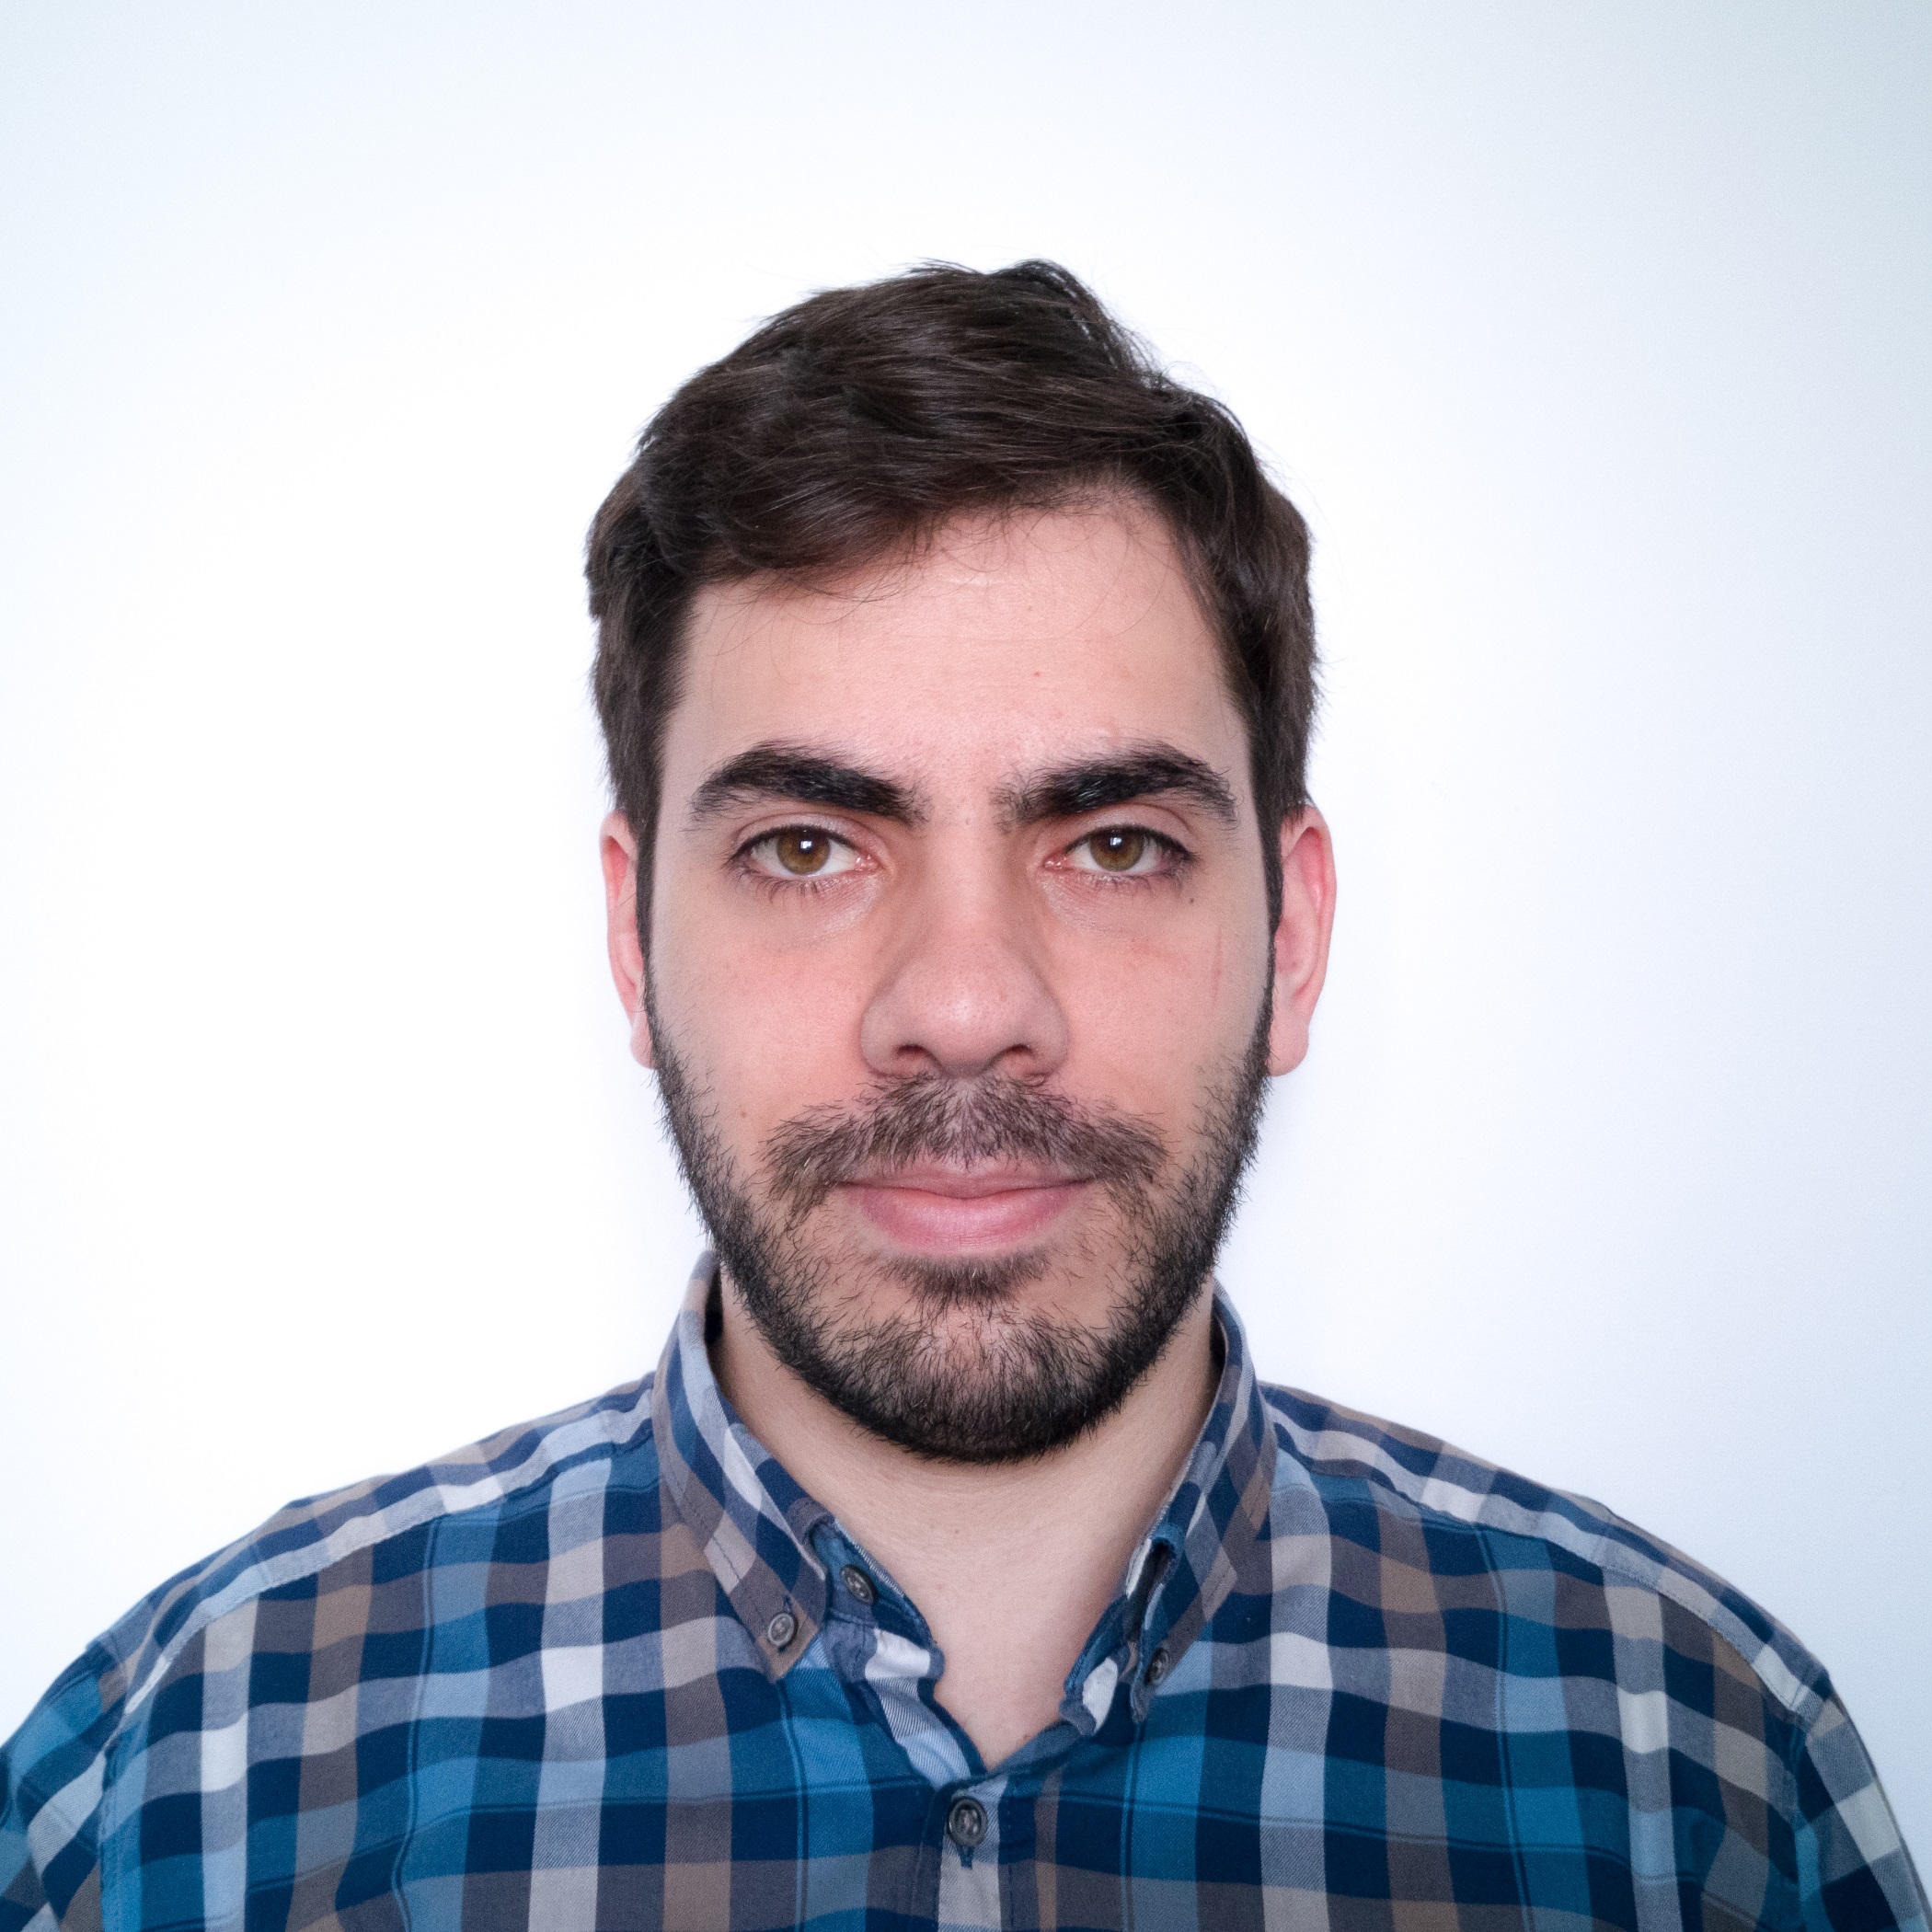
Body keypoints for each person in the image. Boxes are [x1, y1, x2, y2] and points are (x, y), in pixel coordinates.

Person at [1, 262, 1922, 1932]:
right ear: (632, 940)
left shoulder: (1689, 1778)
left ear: (1299, 933)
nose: (968, 1007)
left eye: (1113, 844)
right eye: (811, 848)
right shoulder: (203, 1776)